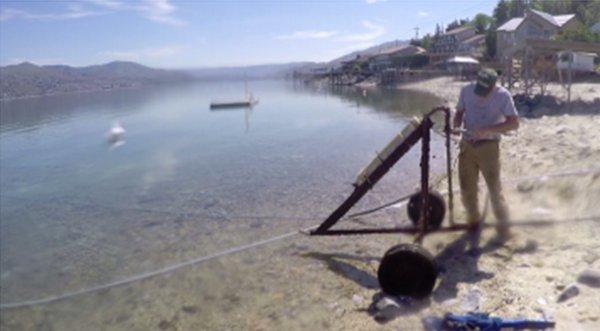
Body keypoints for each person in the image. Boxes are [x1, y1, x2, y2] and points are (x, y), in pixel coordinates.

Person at [453, 68, 519, 239]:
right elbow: (459, 112)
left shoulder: (503, 95)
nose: (481, 95)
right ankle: (473, 223)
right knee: (467, 187)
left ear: (494, 85)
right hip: (467, 145)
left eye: (485, 91)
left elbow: (513, 123)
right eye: (479, 90)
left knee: (494, 188)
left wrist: (488, 130)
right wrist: (455, 126)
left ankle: (504, 229)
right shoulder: (466, 90)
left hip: (489, 147)